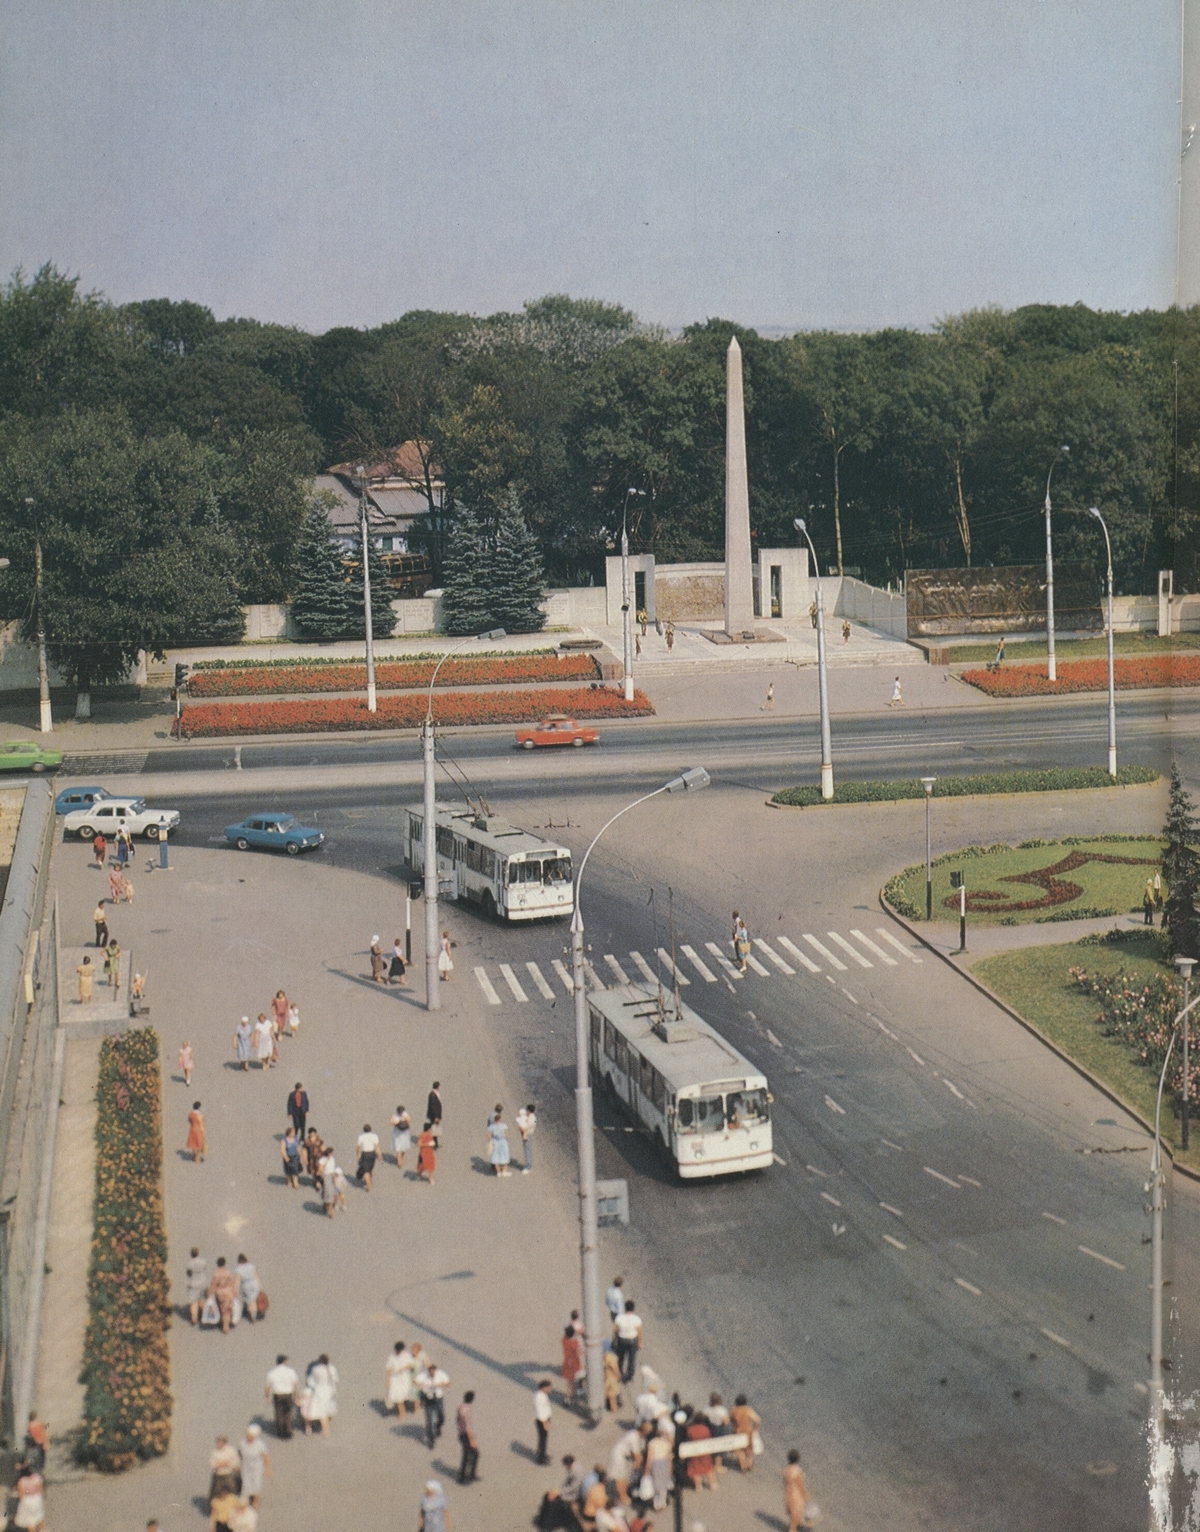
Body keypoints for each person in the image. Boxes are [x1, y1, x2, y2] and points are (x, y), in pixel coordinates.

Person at [417, 1358, 450, 1447]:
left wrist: (440, 1384)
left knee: (442, 1416)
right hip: (429, 1400)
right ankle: (431, 1439)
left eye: (433, 1372)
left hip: (438, 1398)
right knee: (429, 1420)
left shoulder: (440, 1374)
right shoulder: (424, 1375)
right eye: (430, 1372)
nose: (432, 1374)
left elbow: (448, 1383)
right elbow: (415, 1381)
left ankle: (438, 1426)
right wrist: (421, 1386)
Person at [265, 1354, 298, 1439]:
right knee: (288, 1413)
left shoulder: (272, 1372)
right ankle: (288, 1431)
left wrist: (267, 1397)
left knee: (278, 1413)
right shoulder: (291, 1371)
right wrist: (297, 1395)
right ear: (284, 1362)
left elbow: (268, 1386)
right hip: (288, 1394)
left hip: (278, 1394)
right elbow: (295, 1384)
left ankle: (280, 1432)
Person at [684, 1410, 716, 1491]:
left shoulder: (690, 1429)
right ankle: (712, 1484)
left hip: (694, 1451)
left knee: (695, 1469)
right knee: (708, 1467)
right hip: (704, 1450)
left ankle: (698, 1486)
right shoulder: (705, 1429)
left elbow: (688, 1438)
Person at [238, 1423, 270, 1502]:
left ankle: (255, 1500)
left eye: (250, 1435)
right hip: (246, 1465)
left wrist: (268, 1469)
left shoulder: (260, 1444)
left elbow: (265, 1456)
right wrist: (238, 1464)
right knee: (246, 1482)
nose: (248, 1436)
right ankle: (244, 1499)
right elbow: (239, 1454)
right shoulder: (242, 1443)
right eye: (247, 1434)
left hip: (257, 1467)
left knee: (256, 1483)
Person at [613, 1300, 643, 1384]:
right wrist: (640, 1342)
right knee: (631, 1359)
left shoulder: (619, 1317)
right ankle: (629, 1376)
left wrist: (615, 1340)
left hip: (621, 1340)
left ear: (625, 1308)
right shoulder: (636, 1319)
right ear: (633, 1309)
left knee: (620, 1358)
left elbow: (615, 1330)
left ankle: (619, 1374)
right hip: (632, 1341)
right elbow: (639, 1331)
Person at [307, 1354, 338, 1434]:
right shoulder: (332, 1368)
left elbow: (310, 1381)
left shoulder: (316, 1369)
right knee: (330, 1407)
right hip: (331, 1389)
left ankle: (325, 1430)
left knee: (321, 1410)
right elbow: (336, 1379)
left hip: (320, 1390)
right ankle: (329, 1423)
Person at [730, 1394, 761, 1472]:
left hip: (738, 1431)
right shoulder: (748, 1410)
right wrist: (755, 1429)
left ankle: (742, 1465)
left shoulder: (733, 1410)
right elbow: (757, 1420)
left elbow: (731, 1420)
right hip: (748, 1432)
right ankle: (749, 1464)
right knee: (749, 1449)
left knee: (739, 1450)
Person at [385, 1340, 418, 1415]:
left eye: (400, 1350)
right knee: (398, 1397)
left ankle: (406, 1406)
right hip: (395, 1379)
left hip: (405, 1378)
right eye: (397, 1350)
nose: (398, 1352)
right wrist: (387, 1379)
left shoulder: (407, 1355)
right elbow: (388, 1368)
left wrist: (403, 1368)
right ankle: (402, 1413)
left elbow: (412, 1365)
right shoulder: (391, 1357)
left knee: (405, 1395)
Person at [784, 1448, 812, 1532]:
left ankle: (797, 1524)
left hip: (788, 1493)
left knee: (792, 1513)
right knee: (796, 1513)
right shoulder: (797, 1471)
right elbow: (800, 1485)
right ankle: (792, 1528)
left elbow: (785, 1482)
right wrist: (805, 1495)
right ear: (798, 1459)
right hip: (796, 1495)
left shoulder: (786, 1469)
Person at [12, 1460, 45, 1532]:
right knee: (39, 1516)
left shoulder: (21, 1481)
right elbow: (41, 1490)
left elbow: (22, 1495)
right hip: (37, 1499)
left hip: (27, 1501)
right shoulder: (37, 1477)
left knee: (30, 1521)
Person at [208, 1257, 238, 1334]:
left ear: (217, 1264)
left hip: (220, 1293)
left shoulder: (216, 1274)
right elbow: (231, 1283)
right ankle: (226, 1326)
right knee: (227, 1310)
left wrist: (209, 1293)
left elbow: (214, 1285)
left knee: (222, 1309)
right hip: (228, 1293)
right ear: (224, 1264)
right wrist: (234, 1292)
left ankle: (223, 1324)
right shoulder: (228, 1273)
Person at [646, 1426, 673, 1510]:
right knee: (664, 1484)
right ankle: (663, 1502)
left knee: (655, 1484)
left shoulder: (652, 1443)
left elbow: (649, 1457)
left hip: (655, 1463)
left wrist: (647, 1469)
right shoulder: (667, 1443)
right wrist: (670, 1469)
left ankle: (656, 1504)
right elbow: (669, 1457)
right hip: (664, 1463)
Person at [456, 1390, 479, 1484]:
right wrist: (472, 1440)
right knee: (474, 1454)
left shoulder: (460, 1407)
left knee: (466, 1455)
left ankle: (464, 1475)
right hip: (466, 1435)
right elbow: (468, 1426)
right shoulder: (468, 1410)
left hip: (461, 1433)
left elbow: (457, 1420)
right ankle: (469, 1475)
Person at [561, 1323, 585, 1406]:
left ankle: (567, 1398)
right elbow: (579, 1354)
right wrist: (581, 1365)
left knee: (569, 1383)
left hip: (567, 1362)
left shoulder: (564, 1339)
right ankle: (573, 1398)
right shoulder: (575, 1343)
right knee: (575, 1383)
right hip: (575, 1364)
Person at [487, 1106, 512, 1176]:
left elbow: (488, 1136)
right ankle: (504, 1171)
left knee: (495, 1156)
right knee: (505, 1156)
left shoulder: (491, 1126)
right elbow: (507, 1135)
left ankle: (498, 1172)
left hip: (495, 1141)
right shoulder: (504, 1125)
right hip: (503, 1142)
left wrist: (490, 1140)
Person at [186, 1247, 208, 1324]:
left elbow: (189, 1273)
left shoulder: (189, 1263)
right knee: (202, 1300)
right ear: (198, 1253)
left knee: (193, 1302)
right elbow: (205, 1268)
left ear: (191, 1254)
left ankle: (194, 1318)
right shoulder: (203, 1261)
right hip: (202, 1283)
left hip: (193, 1284)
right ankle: (203, 1315)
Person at [235, 1254, 261, 1320]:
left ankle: (252, 1314)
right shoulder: (251, 1265)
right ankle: (252, 1312)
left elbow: (237, 1281)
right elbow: (256, 1276)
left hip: (245, 1285)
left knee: (250, 1300)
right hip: (253, 1283)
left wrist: (235, 1290)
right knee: (253, 1298)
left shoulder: (238, 1268)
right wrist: (259, 1285)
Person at [534, 1378, 553, 1464]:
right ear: (543, 1388)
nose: (550, 1389)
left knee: (544, 1439)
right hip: (542, 1421)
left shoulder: (543, 1395)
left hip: (545, 1419)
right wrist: (545, 1423)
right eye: (548, 1388)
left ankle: (543, 1454)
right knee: (543, 1439)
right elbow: (540, 1411)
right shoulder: (539, 1397)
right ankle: (541, 1458)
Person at [356, 1122, 379, 1189]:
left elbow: (358, 1147)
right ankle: (370, 1180)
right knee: (371, 1168)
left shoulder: (361, 1137)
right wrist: (379, 1154)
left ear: (364, 1130)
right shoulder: (374, 1136)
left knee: (365, 1170)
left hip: (365, 1154)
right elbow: (376, 1146)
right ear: (370, 1129)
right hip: (372, 1153)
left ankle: (368, 1185)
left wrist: (358, 1154)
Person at [515, 1102, 537, 1171]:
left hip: (528, 1135)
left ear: (528, 1111)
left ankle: (528, 1166)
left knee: (527, 1150)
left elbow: (525, 1127)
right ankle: (529, 1164)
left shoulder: (531, 1119)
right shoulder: (534, 1118)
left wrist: (521, 1128)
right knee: (528, 1150)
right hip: (530, 1134)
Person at [391, 1104, 412, 1169]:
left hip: (404, 1133)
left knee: (404, 1146)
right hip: (397, 1133)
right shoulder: (394, 1115)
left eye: (401, 1112)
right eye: (399, 1112)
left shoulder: (405, 1114)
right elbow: (391, 1122)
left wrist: (404, 1118)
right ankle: (399, 1161)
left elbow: (409, 1120)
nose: (400, 1113)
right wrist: (398, 1122)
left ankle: (401, 1156)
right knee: (398, 1146)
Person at [319, 1147, 338, 1216]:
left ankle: (328, 1205)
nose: (330, 1154)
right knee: (328, 1191)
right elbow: (320, 1169)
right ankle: (329, 1208)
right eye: (329, 1153)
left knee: (334, 1191)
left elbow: (333, 1168)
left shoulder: (332, 1159)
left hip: (332, 1175)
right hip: (326, 1176)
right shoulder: (323, 1160)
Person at [604, 1346, 623, 1411]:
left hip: (606, 1377)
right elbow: (614, 1367)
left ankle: (609, 1405)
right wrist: (619, 1375)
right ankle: (613, 1407)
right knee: (612, 1393)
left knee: (608, 1392)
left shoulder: (603, 1356)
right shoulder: (610, 1356)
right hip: (611, 1377)